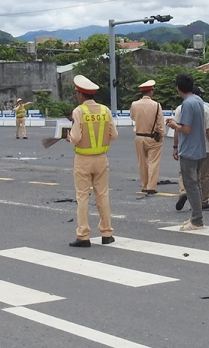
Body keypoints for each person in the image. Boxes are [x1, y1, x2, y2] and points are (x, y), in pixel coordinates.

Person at [66, 74, 117, 247]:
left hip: (83, 159)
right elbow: (114, 135)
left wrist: (69, 137)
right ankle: (107, 233)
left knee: (82, 197)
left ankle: (83, 235)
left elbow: (75, 137)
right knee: (103, 195)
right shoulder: (105, 110)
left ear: (80, 94)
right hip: (102, 159)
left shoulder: (78, 111)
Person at [167, 74, 209, 230]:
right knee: (197, 183)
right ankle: (196, 217)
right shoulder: (198, 100)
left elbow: (186, 129)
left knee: (191, 185)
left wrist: (174, 124)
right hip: (200, 147)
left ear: (178, 88)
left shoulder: (187, 104)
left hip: (189, 149)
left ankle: (196, 220)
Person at [129, 79, 164, 194]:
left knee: (142, 162)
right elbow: (160, 124)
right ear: (150, 92)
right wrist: (161, 134)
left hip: (139, 136)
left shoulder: (134, 104)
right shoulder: (156, 105)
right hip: (152, 137)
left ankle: (144, 185)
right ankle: (151, 186)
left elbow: (133, 117)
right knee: (153, 162)